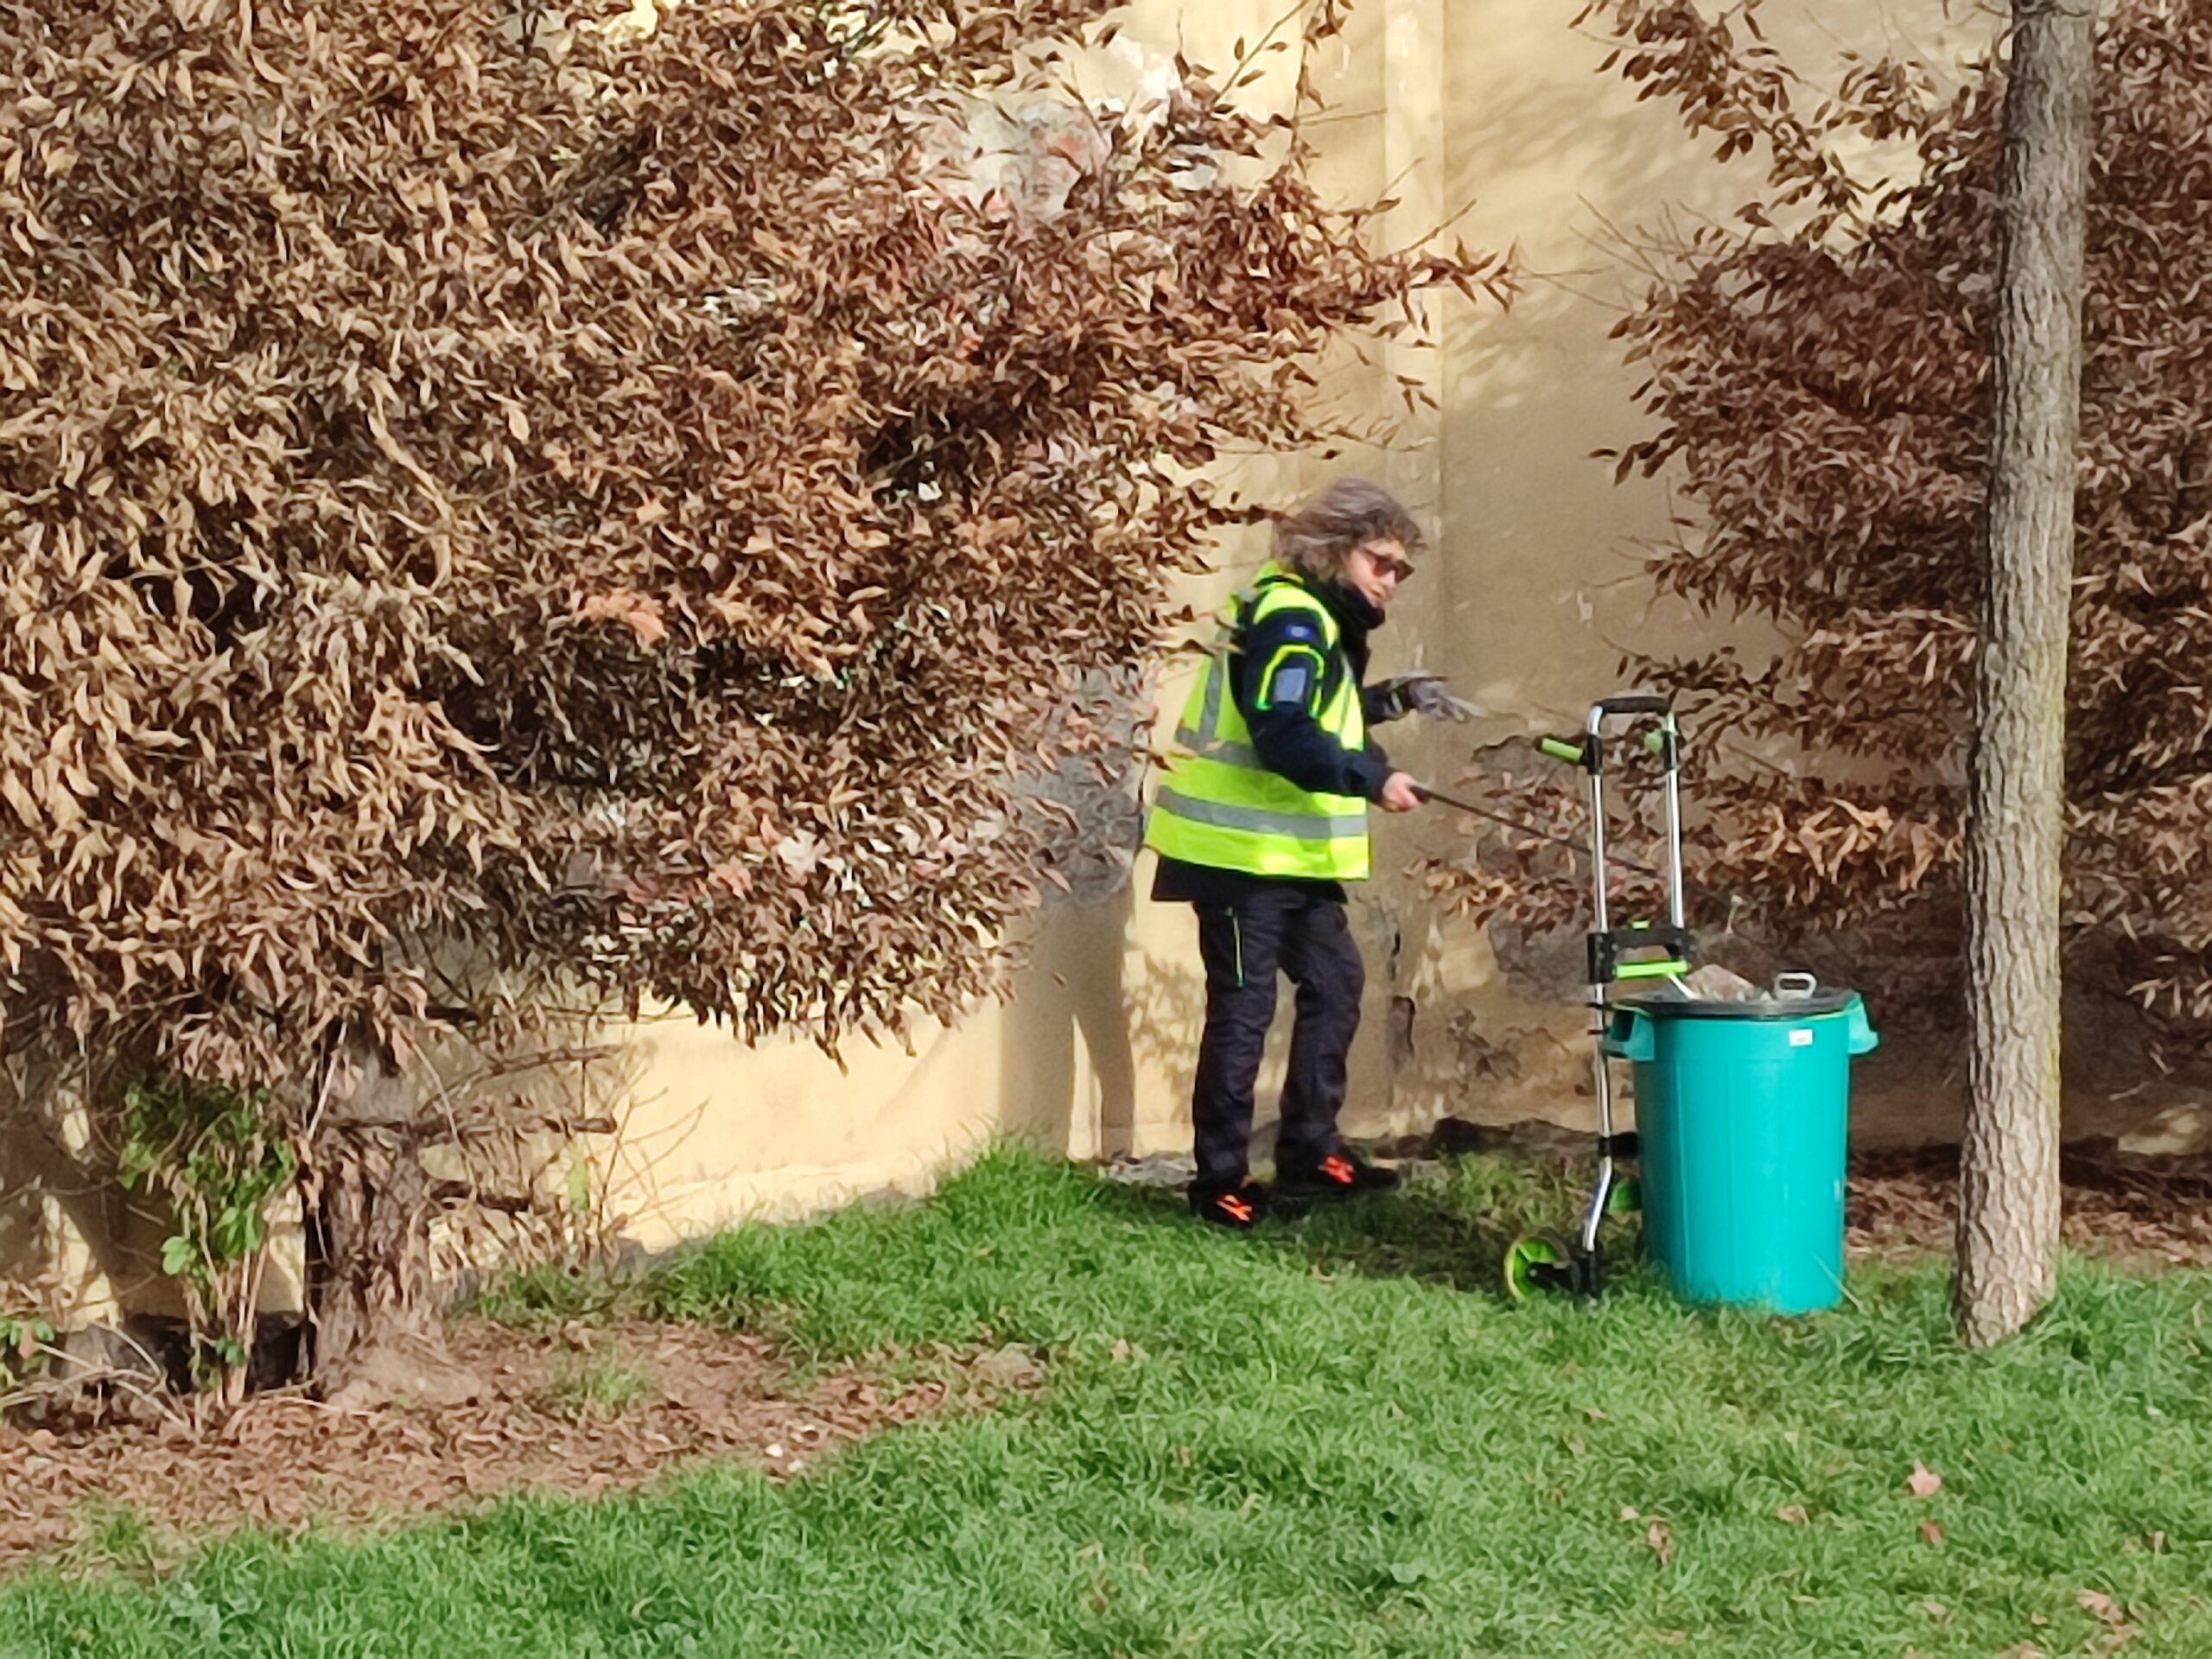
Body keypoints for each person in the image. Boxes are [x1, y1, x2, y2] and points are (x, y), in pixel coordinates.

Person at [1143, 479, 1478, 1228]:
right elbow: (1286, 730)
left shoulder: (1317, 620)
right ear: (1331, 550)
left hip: (1289, 857)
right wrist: (1372, 776)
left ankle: (1308, 1151)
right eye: (1381, 562)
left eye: (1402, 569)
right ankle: (1220, 1183)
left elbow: (1318, 706)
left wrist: (1394, 701)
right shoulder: (1292, 617)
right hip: (1235, 856)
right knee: (1245, 1009)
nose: (1392, 580)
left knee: (1334, 983)